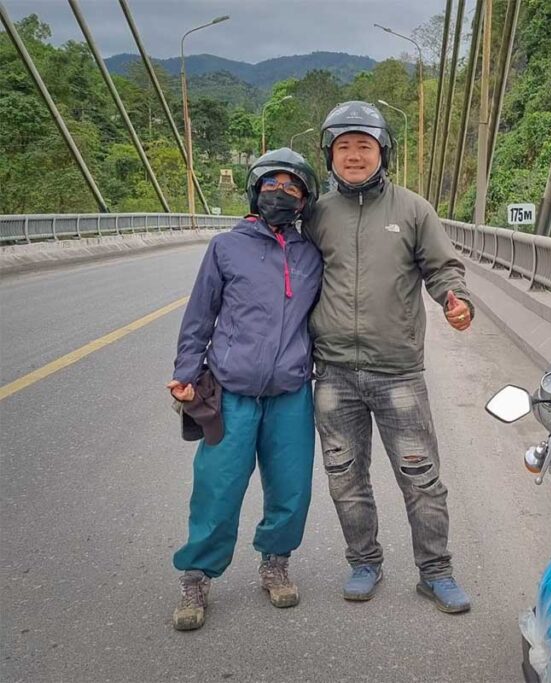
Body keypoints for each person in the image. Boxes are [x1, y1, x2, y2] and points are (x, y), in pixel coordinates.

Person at [304, 101, 474, 614]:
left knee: (421, 476)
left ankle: (435, 571)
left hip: (396, 370)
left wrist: (454, 299)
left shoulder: (413, 209)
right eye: (344, 148)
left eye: (364, 146)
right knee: (344, 476)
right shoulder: (316, 214)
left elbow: (442, 268)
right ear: (329, 156)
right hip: (333, 372)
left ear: (384, 152)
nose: (354, 157)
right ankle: (364, 562)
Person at [167, 148, 323, 631]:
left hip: (290, 394)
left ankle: (275, 562)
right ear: (256, 191)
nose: (282, 193)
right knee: (217, 487)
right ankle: (197, 574)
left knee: (292, 488)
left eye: (292, 187)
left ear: (304, 201)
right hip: (231, 392)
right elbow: (200, 317)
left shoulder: (312, 254)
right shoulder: (225, 247)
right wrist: (186, 375)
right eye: (272, 184)